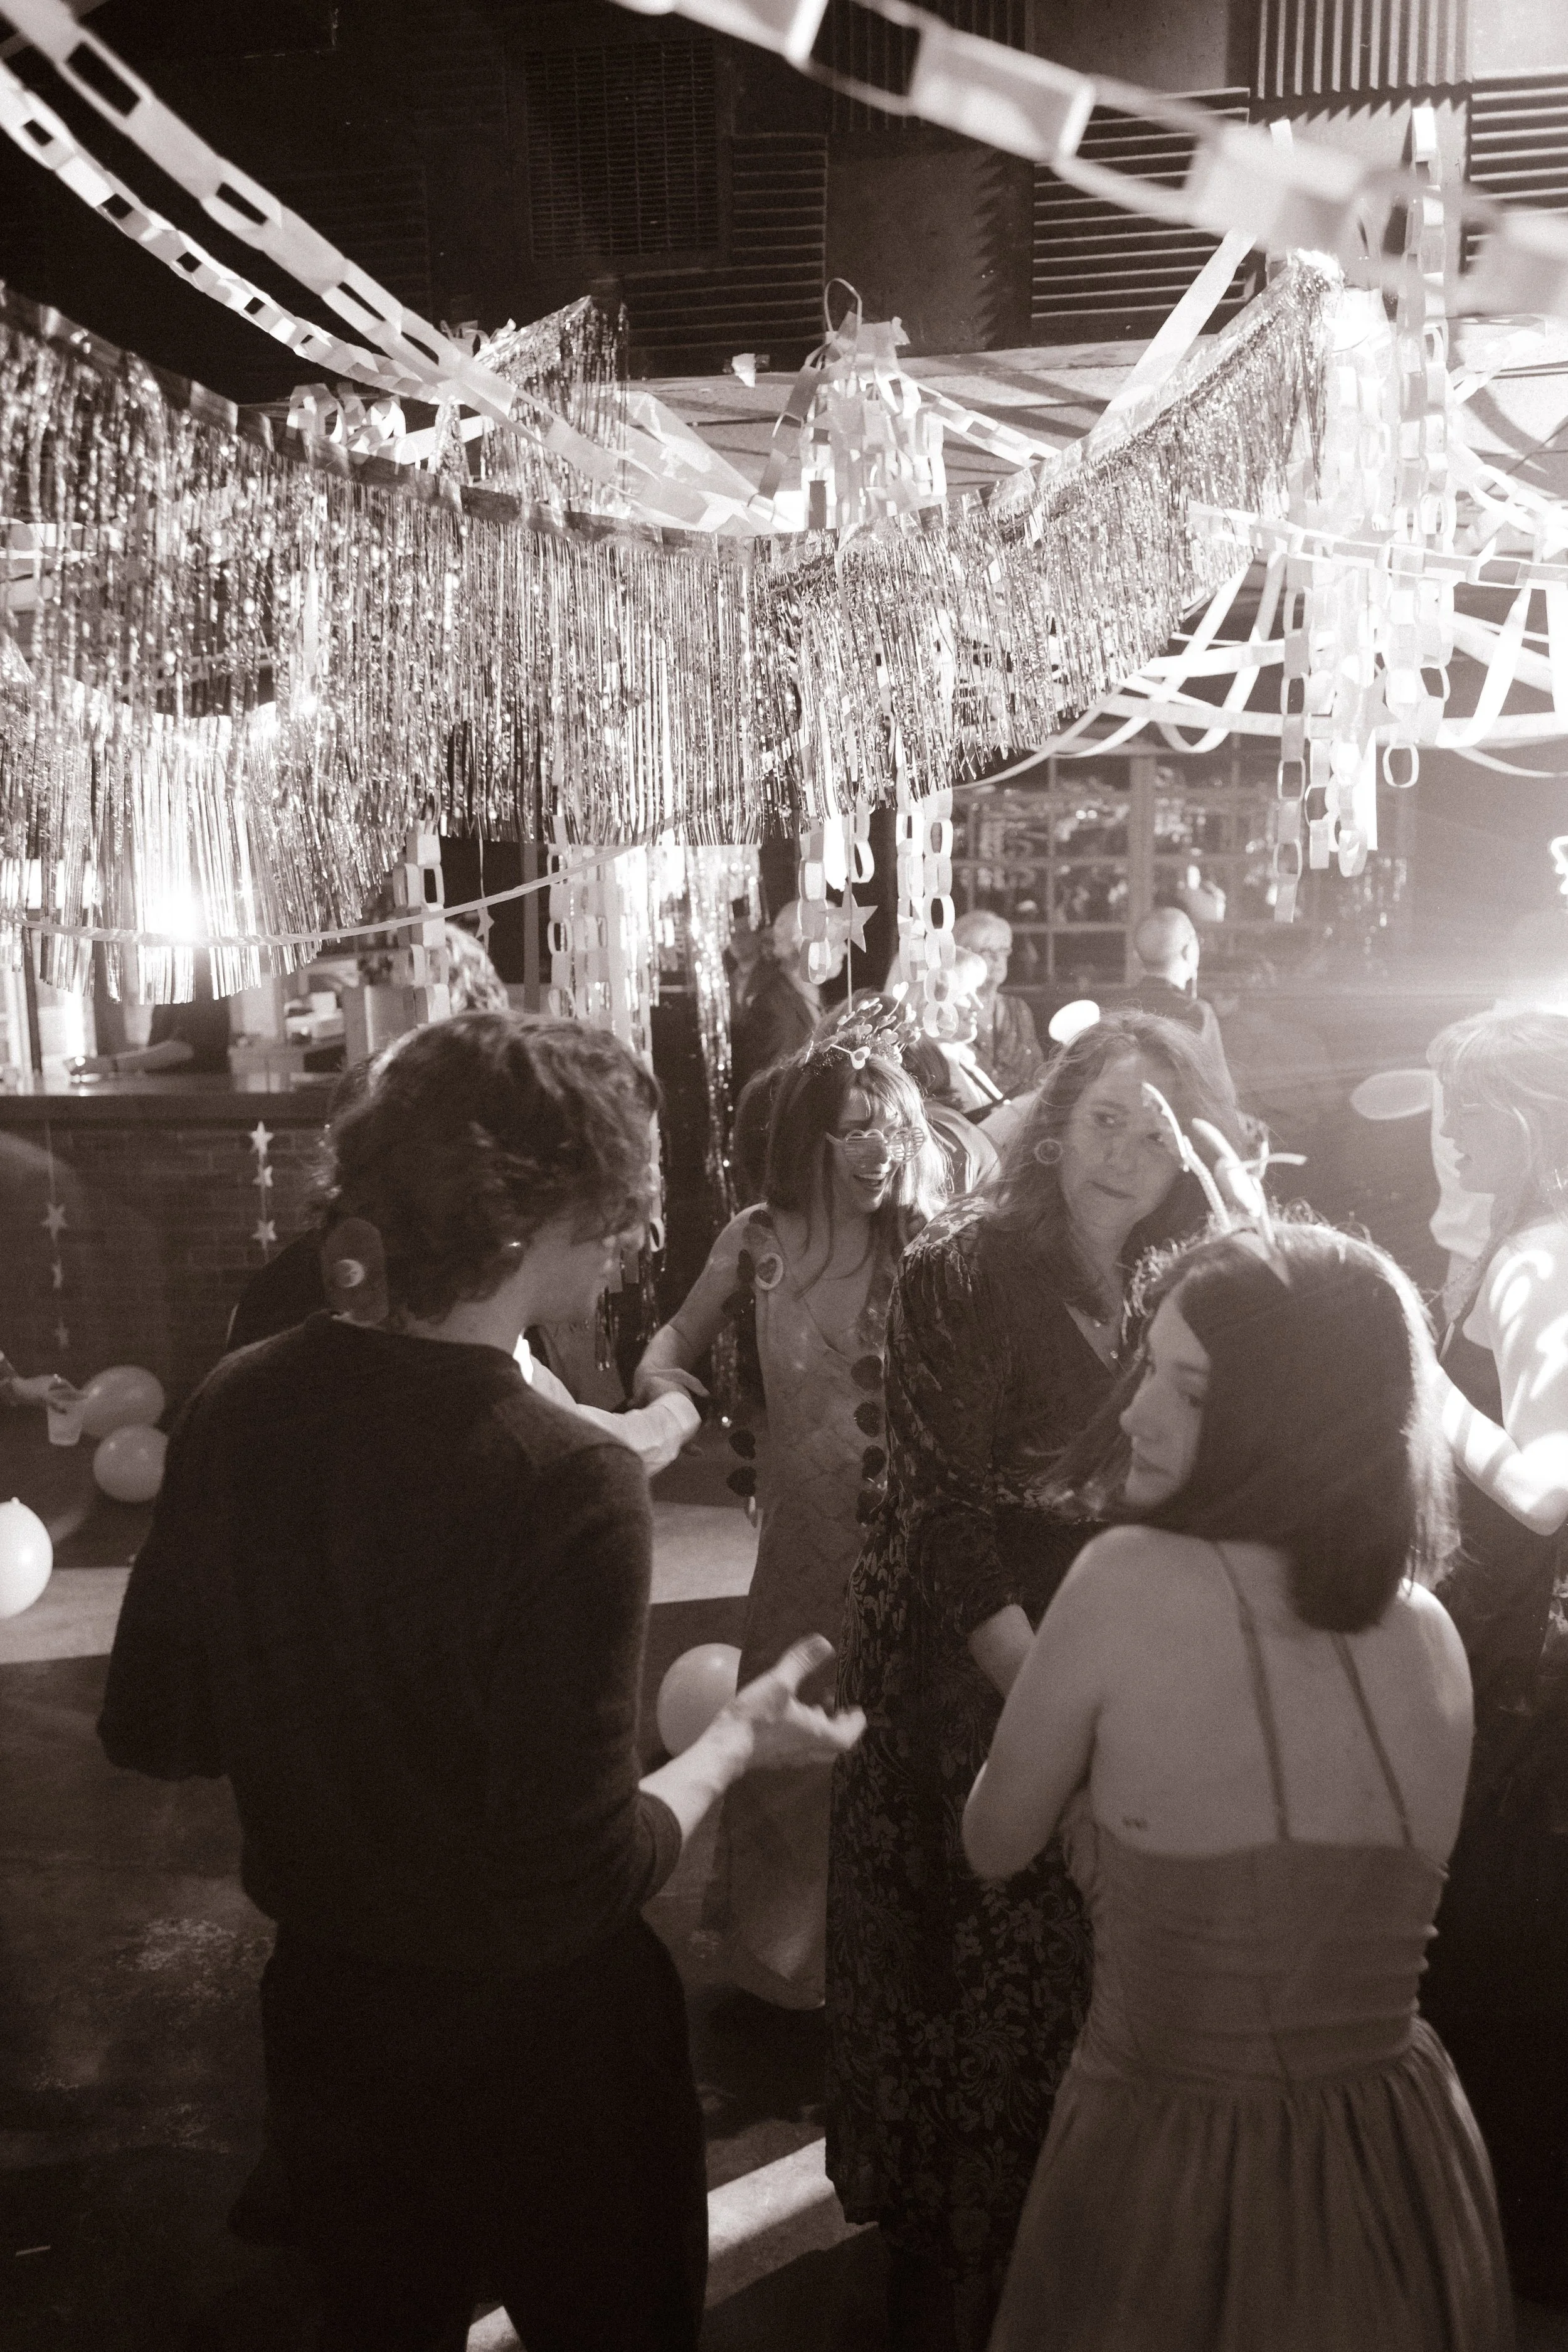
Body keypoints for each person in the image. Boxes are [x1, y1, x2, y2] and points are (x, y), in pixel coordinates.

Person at [97, 1012, 864, 2352]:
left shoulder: (236, 1401)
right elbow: (570, 1877)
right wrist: (735, 1743)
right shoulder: (566, 1476)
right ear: (537, 1224)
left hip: (333, 2020)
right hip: (545, 2057)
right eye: (616, 1213)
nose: (630, 1243)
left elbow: (161, 1728)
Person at [963, 1219, 1510, 2352]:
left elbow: (993, 1839)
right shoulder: (1433, 1633)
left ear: (1291, 1415)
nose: (1135, 1411)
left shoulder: (1124, 1581)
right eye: (1148, 1364)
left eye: (1189, 1387)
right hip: (1403, 2151)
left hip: (1177, 2155)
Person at [825, 1010, 1250, 2351]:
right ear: (1055, 1123)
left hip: (1092, 1661)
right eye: (1105, 1119)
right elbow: (940, 1515)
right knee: (963, 1971)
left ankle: (1049, 2254)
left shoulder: (1175, 1279)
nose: (1125, 1152)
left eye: (1156, 1129)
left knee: (1068, 1982)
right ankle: (946, 2276)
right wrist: (1048, 1704)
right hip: (964, 1671)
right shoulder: (962, 1272)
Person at [635, 1023, 944, 2010]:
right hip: (800, 1538)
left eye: (891, 1126)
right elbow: (677, 1335)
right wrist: (660, 1386)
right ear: (806, 1140)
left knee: (896, 1744)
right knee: (788, 1747)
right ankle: (786, 1961)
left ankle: (893, 1956)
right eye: (854, 1128)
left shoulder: (927, 1242)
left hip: (908, 1536)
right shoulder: (755, 1239)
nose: (878, 1148)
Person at [1420, 1006, 1568, 2307]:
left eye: (1464, 1113)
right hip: (1519, 1648)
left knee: (1500, 1950)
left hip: (1525, 1661)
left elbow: (1538, 1488)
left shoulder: (1538, 1259)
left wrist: (1425, 1383)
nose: (1450, 1140)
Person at [731, 899, 850, 1094]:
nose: (844, 949)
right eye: (835, 941)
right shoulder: (773, 1008)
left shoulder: (811, 995)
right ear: (804, 945)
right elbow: (773, 1091)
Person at [1121, 908, 1233, 1092]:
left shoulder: (1116, 1004)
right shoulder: (1197, 1013)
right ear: (1188, 950)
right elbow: (1221, 1093)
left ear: (1137, 956)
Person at [952, 909, 1044, 1099]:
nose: (998, 959)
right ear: (963, 956)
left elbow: (1038, 1073)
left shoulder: (1018, 1010)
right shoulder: (953, 1012)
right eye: (988, 951)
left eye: (1003, 950)